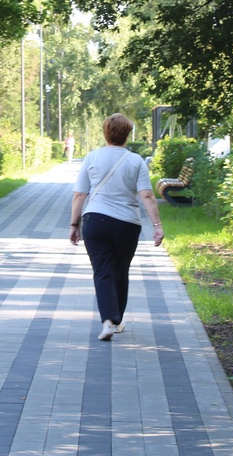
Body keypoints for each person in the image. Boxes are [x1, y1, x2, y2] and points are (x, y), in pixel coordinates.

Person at [69, 114, 164, 341]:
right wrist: (157, 226)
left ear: (105, 133)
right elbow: (147, 195)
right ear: (127, 134)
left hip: (95, 222)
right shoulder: (136, 161)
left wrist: (74, 224)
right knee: (120, 271)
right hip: (126, 224)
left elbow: (80, 195)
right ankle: (117, 321)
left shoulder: (92, 157)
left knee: (102, 271)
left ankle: (107, 322)